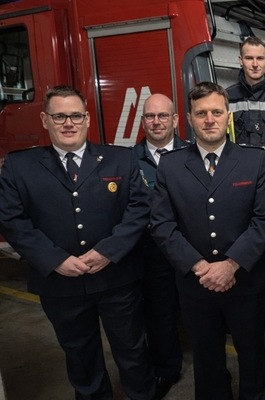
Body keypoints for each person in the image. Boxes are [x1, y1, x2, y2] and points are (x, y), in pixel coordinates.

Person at [0, 86, 154, 399]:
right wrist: (55, 259)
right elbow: (12, 220)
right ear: (45, 120)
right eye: (59, 116)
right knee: (81, 360)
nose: (68, 123)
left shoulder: (120, 159)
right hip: (60, 284)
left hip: (116, 279)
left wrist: (108, 252)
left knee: (133, 353)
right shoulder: (20, 167)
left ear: (86, 119)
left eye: (75, 116)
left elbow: (139, 210)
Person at [150, 82, 265, 400]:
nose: (210, 119)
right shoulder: (171, 165)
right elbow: (162, 224)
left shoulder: (255, 161)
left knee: (251, 354)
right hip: (196, 285)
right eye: (201, 113)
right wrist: (199, 266)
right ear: (190, 119)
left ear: (228, 117)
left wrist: (231, 264)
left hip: (245, 281)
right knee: (206, 358)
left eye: (216, 112)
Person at [132, 93, 187, 398]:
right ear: (143, 121)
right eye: (150, 117)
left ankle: (211, 363)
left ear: (175, 120)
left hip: (190, 251)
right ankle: (166, 370)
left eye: (163, 116)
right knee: (159, 314)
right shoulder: (128, 161)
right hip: (151, 253)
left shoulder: (193, 154)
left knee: (200, 314)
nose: (156, 122)